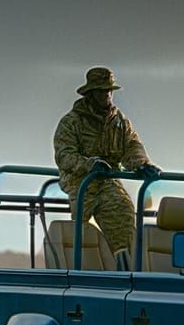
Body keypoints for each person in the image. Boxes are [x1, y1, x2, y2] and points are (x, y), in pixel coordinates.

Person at [53, 67, 160, 270]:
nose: (107, 95)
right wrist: (90, 164)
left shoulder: (119, 122)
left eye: (109, 90)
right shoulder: (71, 122)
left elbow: (132, 146)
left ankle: (126, 272)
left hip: (108, 180)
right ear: (90, 94)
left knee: (125, 217)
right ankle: (79, 273)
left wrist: (142, 164)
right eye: (101, 91)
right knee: (79, 234)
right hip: (79, 181)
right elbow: (64, 155)